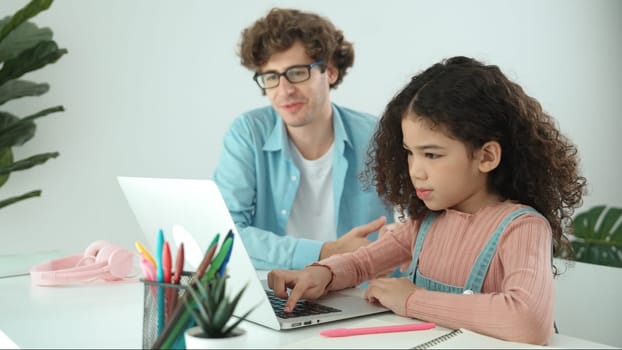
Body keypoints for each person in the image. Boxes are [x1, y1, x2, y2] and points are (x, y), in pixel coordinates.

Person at [267, 56, 587, 345]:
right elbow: (364, 262)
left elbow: (527, 319)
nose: (416, 171)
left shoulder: (522, 227)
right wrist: (322, 274)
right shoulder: (427, 223)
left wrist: (413, 299)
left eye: (432, 154)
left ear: (486, 156)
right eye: (410, 153)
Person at [213, 8, 394, 271]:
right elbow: (224, 233)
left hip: (362, 292)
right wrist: (325, 252)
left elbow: (422, 216)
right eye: (272, 77)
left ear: (330, 71)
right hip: (279, 290)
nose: (284, 90)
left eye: (297, 72)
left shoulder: (376, 136)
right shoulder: (248, 133)